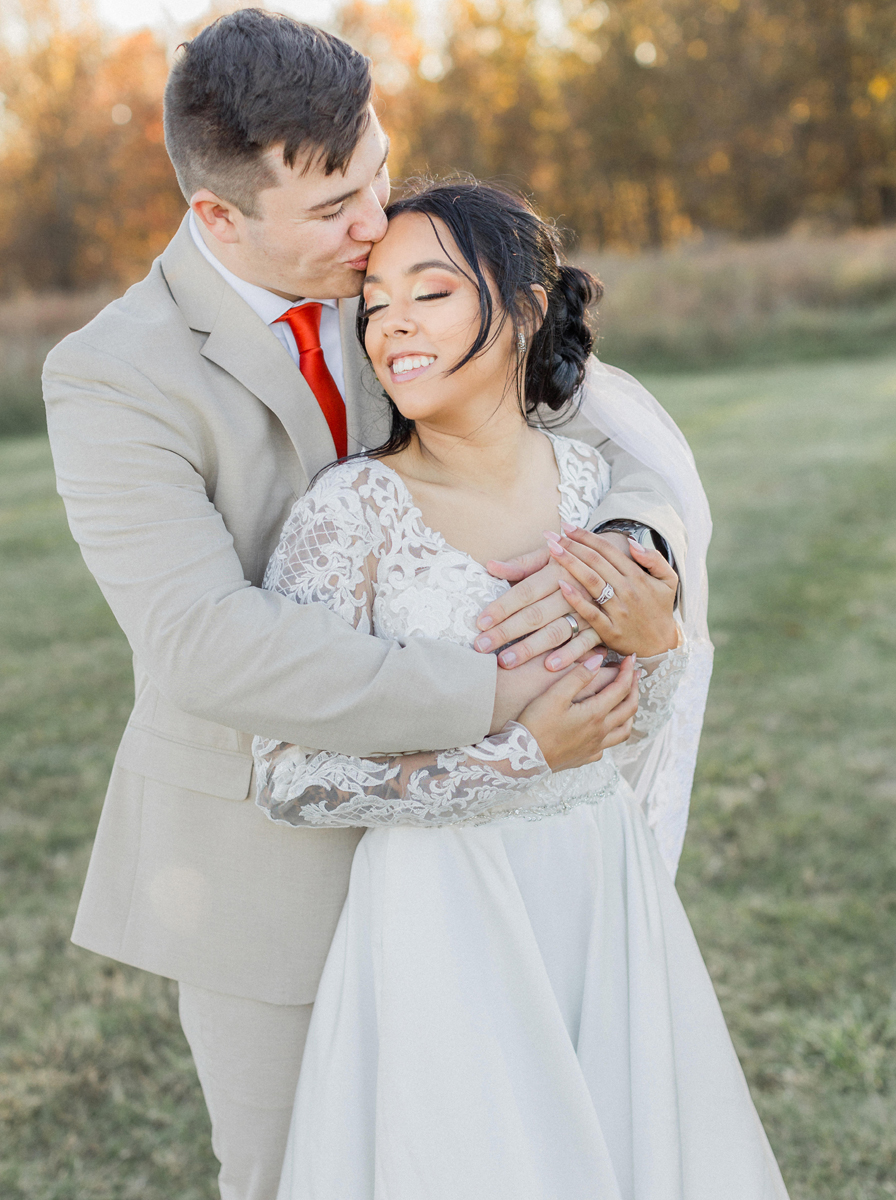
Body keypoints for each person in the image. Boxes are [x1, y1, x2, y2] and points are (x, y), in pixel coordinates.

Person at [41, 11, 690, 1200]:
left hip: (494, 865)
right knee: (307, 1174)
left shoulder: (395, 273)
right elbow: (202, 643)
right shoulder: (111, 374)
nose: (375, 223)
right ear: (218, 218)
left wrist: (635, 561)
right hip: (265, 866)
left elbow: (610, 435)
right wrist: (504, 702)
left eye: (379, 174)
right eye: (337, 205)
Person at [255, 180, 788, 1200]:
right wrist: (520, 756)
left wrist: (659, 641)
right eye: (374, 302)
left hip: (598, 883)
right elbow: (291, 779)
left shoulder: (599, 491)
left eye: (432, 292)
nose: (392, 323)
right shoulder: (348, 513)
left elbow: (636, 722)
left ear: (525, 309)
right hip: (442, 915)